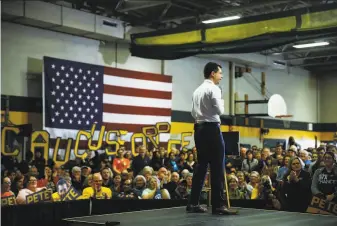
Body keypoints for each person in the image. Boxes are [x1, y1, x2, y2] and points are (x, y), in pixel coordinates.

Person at [186, 62, 237, 215]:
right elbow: (220, 110)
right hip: (212, 129)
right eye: (220, 73)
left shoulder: (197, 90)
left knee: (201, 167)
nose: (221, 76)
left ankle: (193, 203)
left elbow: (193, 113)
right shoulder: (214, 88)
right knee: (217, 167)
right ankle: (218, 206)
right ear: (213, 73)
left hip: (199, 129)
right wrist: (220, 98)